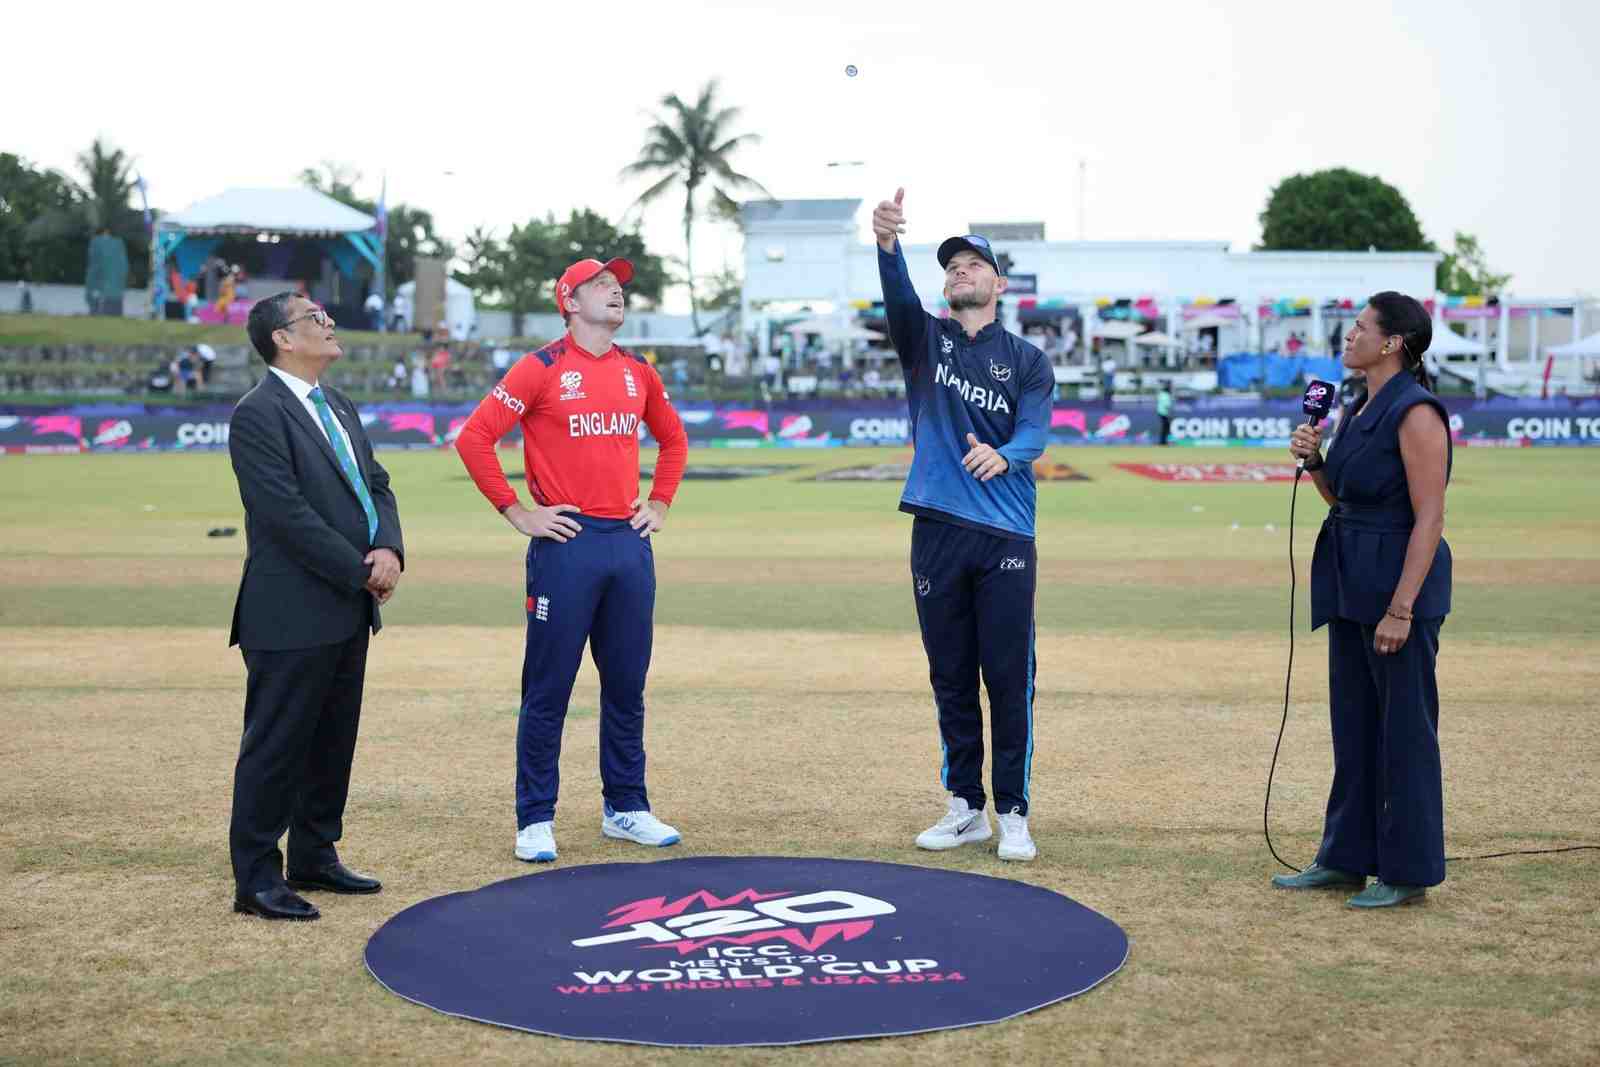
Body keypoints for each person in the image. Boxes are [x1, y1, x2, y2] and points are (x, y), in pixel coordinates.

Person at [455, 257, 689, 864]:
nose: (615, 291)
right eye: (600, 285)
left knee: (627, 683)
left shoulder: (639, 371)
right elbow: (474, 438)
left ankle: (626, 807)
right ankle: (535, 818)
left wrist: (659, 503)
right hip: (566, 544)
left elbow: (674, 439)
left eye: (618, 286)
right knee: (549, 687)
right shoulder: (541, 368)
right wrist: (517, 512)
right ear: (569, 301)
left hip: (628, 545)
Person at [872, 188, 1053, 863]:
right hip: (936, 530)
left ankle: (1012, 810)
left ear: (999, 284)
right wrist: (888, 246)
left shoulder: (1029, 361)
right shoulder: (925, 342)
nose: (959, 273)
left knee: (1007, 677)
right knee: (950, 675)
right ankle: (965, 806)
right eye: (951, 267)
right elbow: (896, 297)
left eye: (973, 265)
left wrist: (1005, 454)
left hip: (1005, 535)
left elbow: (1034, 431)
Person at [227, 292, 405, 921]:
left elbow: (375, 484)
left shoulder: (339, 405)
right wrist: (362, 571)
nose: (329, 324)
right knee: (277, 745)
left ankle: (314, 854)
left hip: (347, 605)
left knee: (333, 739)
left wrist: (388, 546)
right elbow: (285, 516)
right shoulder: (259, 413)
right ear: (281, 338)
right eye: (314, 319)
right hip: (290, 609)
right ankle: (256, 878)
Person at [1278, 291, 1451, 909]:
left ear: (1393, 343)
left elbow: (1429, 517)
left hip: (1397, 588)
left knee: (1403, 731)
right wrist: (1317, 460)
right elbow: (1342, 498)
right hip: (1350, 580)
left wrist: (1402, 609)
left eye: (1359, 328)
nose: (1348, 336)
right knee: (1352, 726)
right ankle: (1345, 857)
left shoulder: (1417, 413)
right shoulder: (1356, 405)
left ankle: (1407, 870)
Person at [1156, 380, 1174, 445]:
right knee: (1166, 428)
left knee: (1164, 428)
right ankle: (1163, 442)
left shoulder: (1161, 394)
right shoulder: (1166, 395)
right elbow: (1167, 406)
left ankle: (1163, 441)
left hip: (1160, 413)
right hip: (1165, 413)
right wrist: (1170, 414)